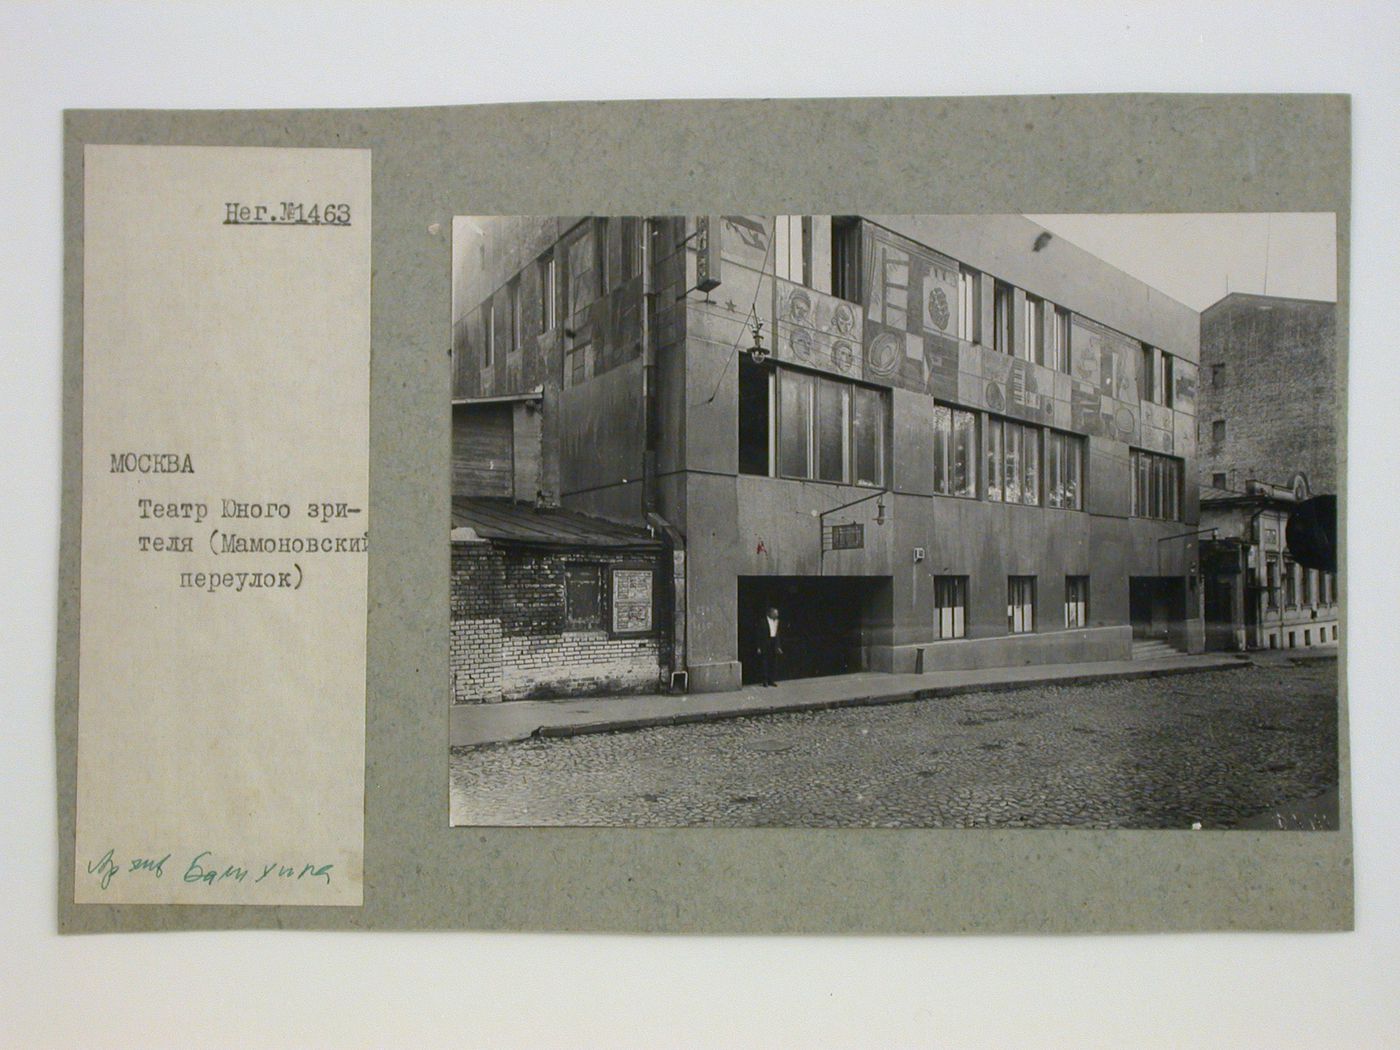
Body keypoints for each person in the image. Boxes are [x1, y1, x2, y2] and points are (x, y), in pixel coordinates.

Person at [760, 606, 783, 687]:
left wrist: (778, 646)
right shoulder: (763, 621)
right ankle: (765, 680)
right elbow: (759, 635)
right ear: (770, 613)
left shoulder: (776, 621)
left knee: (773, 662)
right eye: (775, 613)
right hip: (766, 643)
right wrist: (759, 647)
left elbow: (777, 634)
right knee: (765, 662)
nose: (777, 615)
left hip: (773, 643)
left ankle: (771, 680)